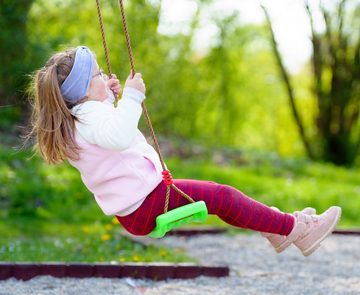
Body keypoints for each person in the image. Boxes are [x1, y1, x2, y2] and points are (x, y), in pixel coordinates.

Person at [25, 45, 341, 257]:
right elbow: (119, 137)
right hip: (146, 202)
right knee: (224, 196)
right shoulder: (92, 117)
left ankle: (277, 228)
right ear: (82, 91)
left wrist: (107, 95)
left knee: (223, 202)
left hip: (136, 208)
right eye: (95, 75)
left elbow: (104, 129)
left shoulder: (79, 117)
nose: (102, 77)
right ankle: (295, 228)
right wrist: (132, 98)